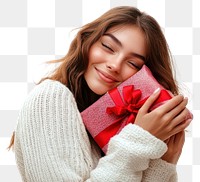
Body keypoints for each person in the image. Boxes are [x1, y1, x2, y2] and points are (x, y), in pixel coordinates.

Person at [9, 6, 192, 181]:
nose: (115, 64)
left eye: (133, 64)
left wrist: (163, 165)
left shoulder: (110, 129)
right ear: (87, 41)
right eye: (108, 46)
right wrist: (139, 140)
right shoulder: (50, 97)